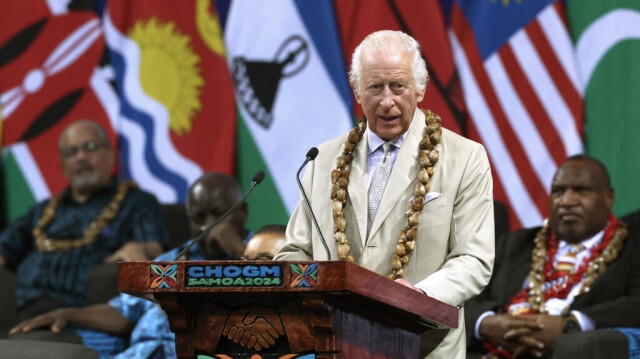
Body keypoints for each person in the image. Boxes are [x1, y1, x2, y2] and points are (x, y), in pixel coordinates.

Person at [275, 30, 495, 358]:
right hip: (335, 344)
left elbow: (474, 258)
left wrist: (418, 295)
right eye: (375, 87)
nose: (387, 101)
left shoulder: (465, 157)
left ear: (420, 88)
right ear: (357, 91)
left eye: (398, 86)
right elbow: (293, 252)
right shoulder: (322, 161)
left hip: (423, 345)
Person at [8, 172, 252, 358]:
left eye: (218, 214)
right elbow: (122, 313)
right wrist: (66, 314)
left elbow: (279, 311)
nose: (206, 226)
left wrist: (240, 253)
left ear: (242, 211)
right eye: (198, 218)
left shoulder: (267, 251)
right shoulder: (173, 259)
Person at [465, 155, 640, 358]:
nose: (566, 201)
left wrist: (572, 323)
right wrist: (486, 323)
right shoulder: (515, 244)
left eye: (580, 190)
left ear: (608, 197)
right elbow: (466, 298)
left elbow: (635, 304)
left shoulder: (633, 247)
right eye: (558, 191)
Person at [0, 120, 170, 322]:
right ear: (62, 165)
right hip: (19, 310)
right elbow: (5, 248)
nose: (81, 157)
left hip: (82, 312)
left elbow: (156, 251)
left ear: (110, 155)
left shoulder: (136, 201)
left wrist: (137, 248)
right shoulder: (42, 210)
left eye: (90, 147)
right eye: (72, 152)